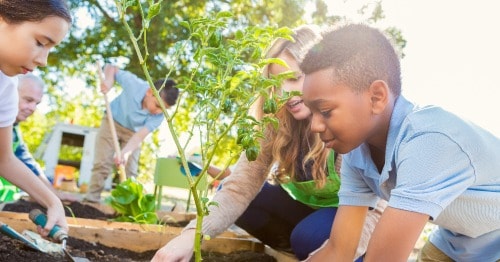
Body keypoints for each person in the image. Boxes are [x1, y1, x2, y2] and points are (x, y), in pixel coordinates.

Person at [152, 25, 384, 262]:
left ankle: (318, 249)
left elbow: (376, 210)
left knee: (309, 236)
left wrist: (333, 254)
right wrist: (192, 235)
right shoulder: (275, 123)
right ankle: (299, 253)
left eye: (295, 78)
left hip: (357, 216)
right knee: (239, 197)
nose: (285, 92)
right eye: (277, 82)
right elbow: (238, 188)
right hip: (310, 214)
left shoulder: (346, 123)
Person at [300, 23, 500, 262]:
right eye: (311, 112)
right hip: (461, 242)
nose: (314, 126)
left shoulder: (428, 141)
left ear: (376, 97)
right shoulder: (357, 156)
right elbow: (338, 251)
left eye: (325, 110)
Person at [0, 0, 71, 236]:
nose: (43, 60)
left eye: (50, 49)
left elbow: (4, 159)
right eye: (41, 43)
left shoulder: (6, 87)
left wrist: (52, 202)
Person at [84, 64, 179, 202]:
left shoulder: (159, 116)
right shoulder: (135, 84)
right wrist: (109, 81)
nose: (158, 111)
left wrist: (126, 152)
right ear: (149, 92)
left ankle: (127, 206)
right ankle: (91, 201)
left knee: (130, 171)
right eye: (157, 105)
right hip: (112, 123)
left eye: (163, 109)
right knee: (102, 164)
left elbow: (140, 135)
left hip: (133, 134)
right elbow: (111, 67)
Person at [1, 74, 78, 202]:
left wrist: (54, 196)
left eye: (37, 103)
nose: (32, 108)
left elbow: (29, 165)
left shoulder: (14, 129)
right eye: (28, 100)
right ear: (10, 93)